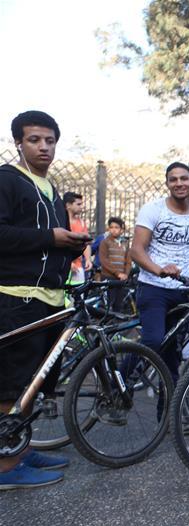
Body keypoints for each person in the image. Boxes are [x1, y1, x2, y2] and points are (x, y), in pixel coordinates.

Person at [0, 110, 90, 489]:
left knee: (34, 385)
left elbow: (52, 244)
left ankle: (21, 447)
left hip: (51, 299)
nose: (44, 147)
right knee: (10, 385)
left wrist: (71, 246)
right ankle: (6, 468)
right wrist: (51, 238)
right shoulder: (7, 180)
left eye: (50, 140)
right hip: (16, 297)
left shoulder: (51, 189)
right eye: (35, 140)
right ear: (18, 142)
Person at [129, 162, 189, 382]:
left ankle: (167, 414)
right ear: (167, 183)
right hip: (153, 287)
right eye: (173, 179)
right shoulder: (154, 210)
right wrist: (159, 270)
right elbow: (136, 250)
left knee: (172, 358)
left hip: (181, 292)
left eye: (184, 178)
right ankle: (119, 381)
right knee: (153, 341)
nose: (179, 183)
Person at [98, 217, 131, 312]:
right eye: (111, 227)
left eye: (116, 227)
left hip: (121, 279)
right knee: (109, 304)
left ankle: (116, 324)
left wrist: (126, 274)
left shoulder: (125, 243)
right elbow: (104, 260)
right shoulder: (105, 242)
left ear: (121, 230)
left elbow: (128, 261)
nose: (113, 229)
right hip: (109, 278)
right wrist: (117, 273)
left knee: (118, 304)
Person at [64, 191, 90, 283]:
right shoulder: (61, 222)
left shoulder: (82, 223)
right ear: (68, 205)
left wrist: (88, 259)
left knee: (78, 295)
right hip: (63, 267)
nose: (81, 207)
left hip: (78, 267)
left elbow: (86, 243)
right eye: (78, 204)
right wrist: (69, 263)